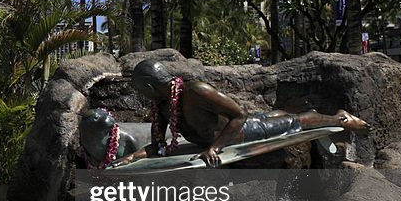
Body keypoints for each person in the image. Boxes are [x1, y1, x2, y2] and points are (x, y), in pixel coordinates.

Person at [113, 59, 368, 168]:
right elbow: (158, 146)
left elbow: (239, 116)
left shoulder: (196, 91)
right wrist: (132, 157)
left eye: (141, 91)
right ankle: (279, 115)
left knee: (295, 122)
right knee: (273, 116)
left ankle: (339, 118)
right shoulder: (163, 105)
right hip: (235, 130)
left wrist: (215, 148)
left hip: (243, 132)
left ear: (148, 87)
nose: (142, 97)